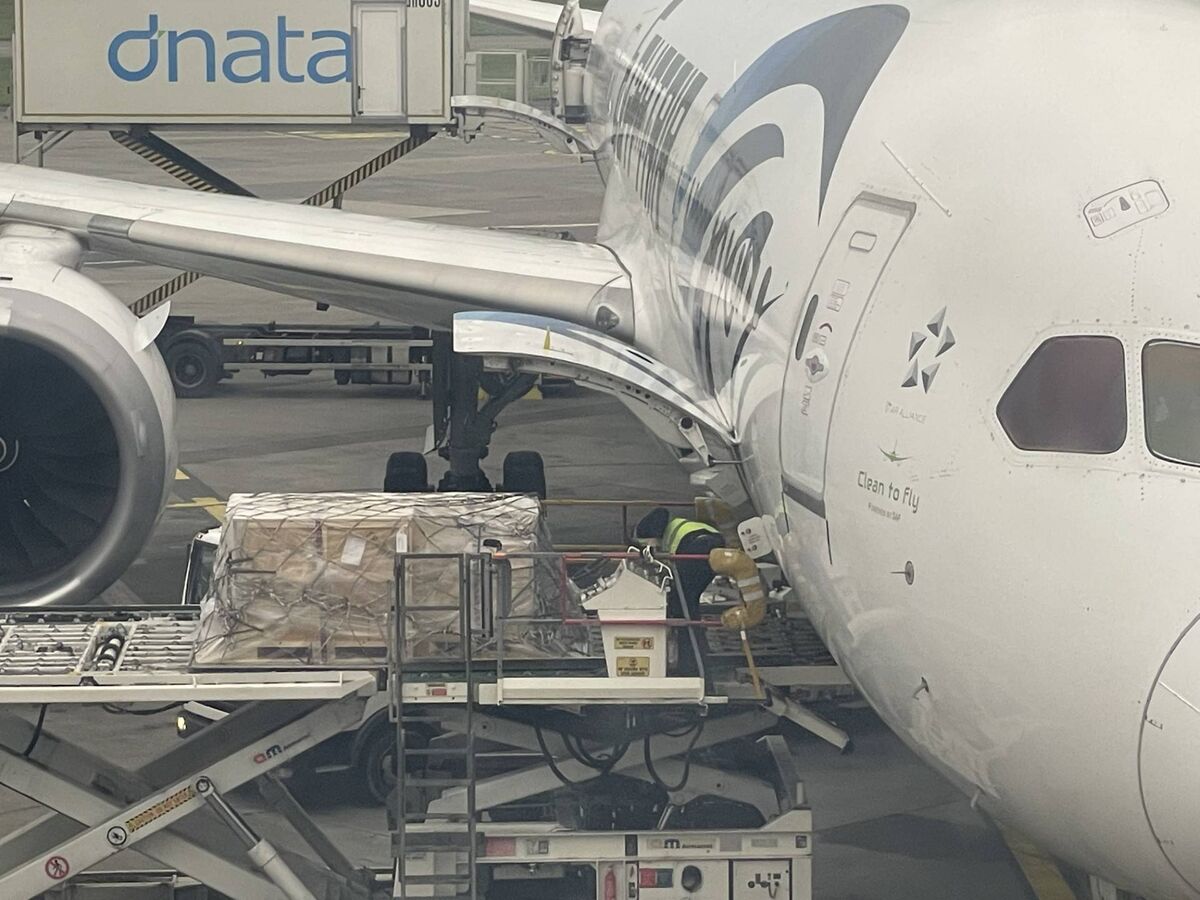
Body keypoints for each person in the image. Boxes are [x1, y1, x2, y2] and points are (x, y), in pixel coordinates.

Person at [634, 507, 725, 677]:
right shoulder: (680, 526)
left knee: (682, 606)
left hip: (698, 551)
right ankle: (697, 650)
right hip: (714, 545)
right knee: (689, 602)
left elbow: (671, 565)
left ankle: (691, 664)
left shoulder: (673, 535)